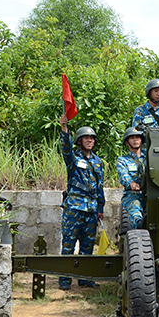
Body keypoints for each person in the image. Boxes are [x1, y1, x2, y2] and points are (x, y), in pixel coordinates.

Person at [59, 114, 105, 290]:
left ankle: (85, 279)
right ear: (79, 140)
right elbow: (66, 148)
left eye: (92, 138)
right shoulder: (73, 158)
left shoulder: (98, 162)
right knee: (69, 244)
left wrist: (101, 207)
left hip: (92, 209)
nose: (89, 140)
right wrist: (64, 129)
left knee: (87, 247)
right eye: (86, 137)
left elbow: (100, 186)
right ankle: (65, 280)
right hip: (74, 208)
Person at [117, 126, 146, 231]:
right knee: (135, 207)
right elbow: (123, 175)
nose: (135, 140)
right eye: (132, 138)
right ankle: (140, 224)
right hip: (132, 195)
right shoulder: (122, 160)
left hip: (149, 195)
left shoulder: (149, 158)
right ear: (126, 142)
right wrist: (131, 183)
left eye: (137, 137)